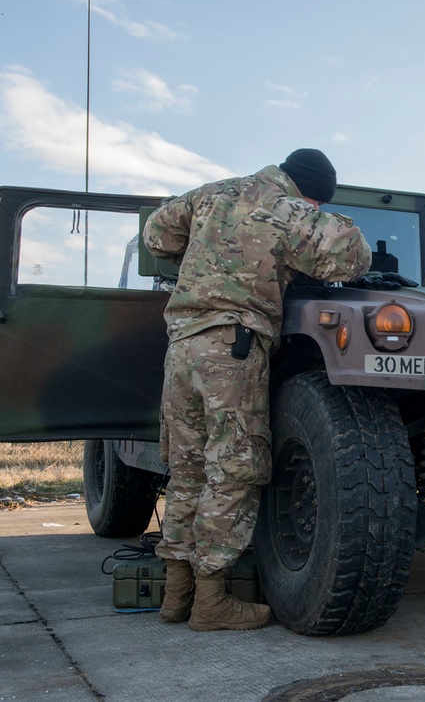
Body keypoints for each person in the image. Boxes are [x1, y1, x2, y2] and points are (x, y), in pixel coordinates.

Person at [143, 148, 372, 632]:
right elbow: (351, 258)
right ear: (311, 193)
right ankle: (211, 601)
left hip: (182, 345)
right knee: (234, 469)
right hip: (234, 346)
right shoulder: (292, 211)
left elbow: (155, 233)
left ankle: (175, 593)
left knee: (187, 468)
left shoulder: (211, 193)